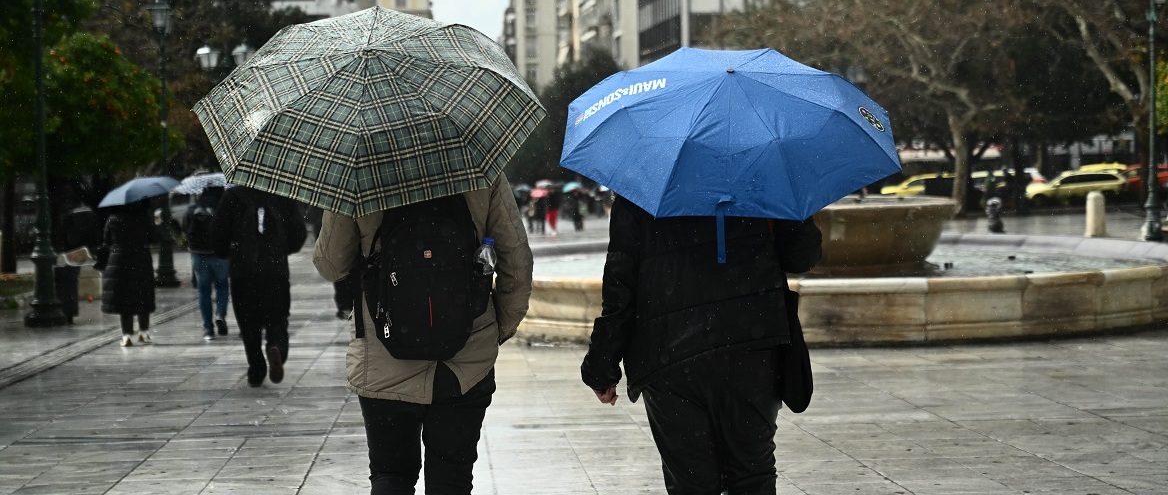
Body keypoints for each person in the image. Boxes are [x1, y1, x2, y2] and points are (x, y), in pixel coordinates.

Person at [580, 195, 822, 495]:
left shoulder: (643, 185)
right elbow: (801, 258)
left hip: (670, 355)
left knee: (691, 481)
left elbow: (620, 286)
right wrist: (794, 211)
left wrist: (601, 365)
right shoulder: (761, 175)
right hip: (751, 343)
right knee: (752, 475)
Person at [313, 173, 533, 495]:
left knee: (391, 476)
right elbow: (517, 259)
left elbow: (330, 264)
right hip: (464, 361)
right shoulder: (479, 164)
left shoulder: (357, 170)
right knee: (452, 479)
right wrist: (497, 328)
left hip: (384, 356)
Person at [212, 186, 307, 387]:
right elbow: (299, 233)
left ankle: (256, 367)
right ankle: (277, 347)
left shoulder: (233, 197)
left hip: (243, 271)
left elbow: (218, 234)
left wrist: (229, 250)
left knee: (248, 323)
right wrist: (280, 250)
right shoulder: (282, 194)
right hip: (275, 270)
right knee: (278, 317)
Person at [94, 200, 156, 347]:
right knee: (142, 295)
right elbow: (154, 237)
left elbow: (107, 240)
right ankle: (143, 332)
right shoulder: (143, 217)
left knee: (124, 298)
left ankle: (127, 334)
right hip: (141, 259)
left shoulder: (113, 218)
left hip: (119, 259)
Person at [184, 185, 230, 341]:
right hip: (220, 254)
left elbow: (185, 228)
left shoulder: (193, 208)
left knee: (203, 291)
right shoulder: (224, 208)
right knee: (222, 285)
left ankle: (208, 329)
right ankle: (220, 314)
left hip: (199, 254)